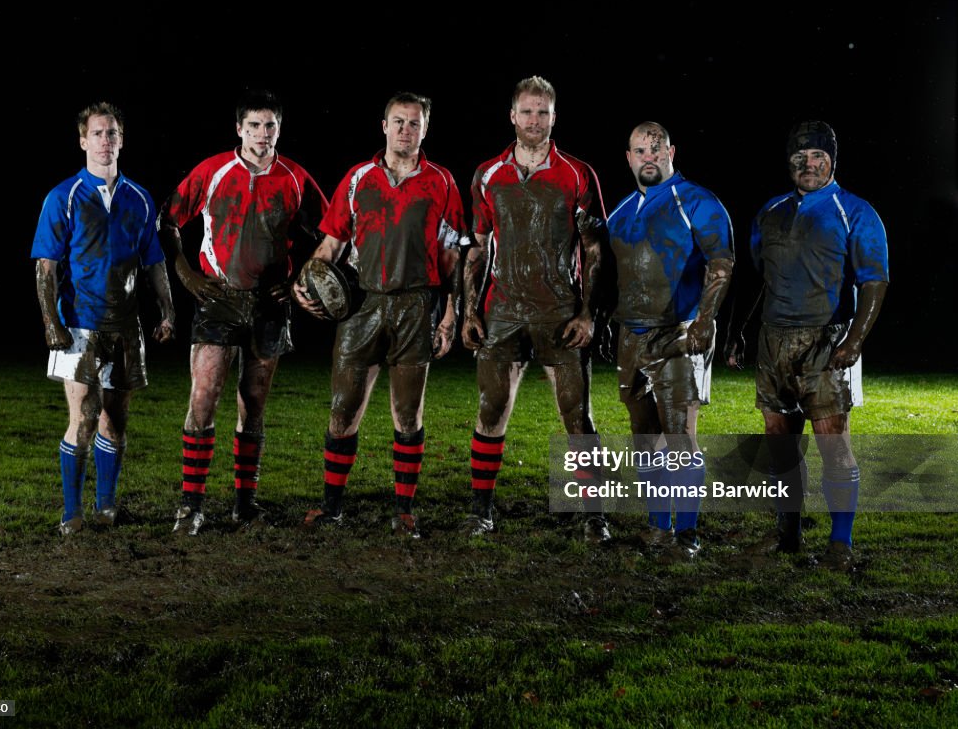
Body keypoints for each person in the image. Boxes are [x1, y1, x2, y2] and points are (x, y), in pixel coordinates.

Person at [294, 91, 464, 539]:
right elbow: (331, 243)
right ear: (383, 125)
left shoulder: (442, 182)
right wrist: (304, 281)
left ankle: (404, 509)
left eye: (414, 123)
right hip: (362, 307)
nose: (405, 130)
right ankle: (332, 507)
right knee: (342, 411)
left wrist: (450, 316)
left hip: (415, 307)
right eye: (398, 121)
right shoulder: (358, 179)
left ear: (425, 129)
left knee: (407, 415)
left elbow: (451, 258)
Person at [160, 90, 328, 535]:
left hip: (268, 306)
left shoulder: (294, 177)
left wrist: (297, 283)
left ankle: (244, 503)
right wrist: (185, 274)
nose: (262, 134)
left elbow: (330, 232)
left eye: (269, 125)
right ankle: (191, 504)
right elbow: (169, 220)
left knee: (253, 403)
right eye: (253, 125)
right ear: (239, 129)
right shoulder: (213, 171)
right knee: (203, 398)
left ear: (279, 129)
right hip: (218, 300)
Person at [461, 76, 608, 541]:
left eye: (542, 112)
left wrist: (587, 313)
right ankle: (481, 510)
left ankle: (593, 514)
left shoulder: (578, 173)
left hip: (559, 312)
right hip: (502, 310)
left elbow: (595, 251)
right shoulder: (488, 175)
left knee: (577, 415)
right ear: (512, 116)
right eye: (527, 111)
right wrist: (468, 311)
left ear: (554, 117)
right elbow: (478, 250)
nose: (534, 120)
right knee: (491, 411)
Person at [738, 120, 888, 569]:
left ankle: (840, 544)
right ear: (789, 162)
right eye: (800, 159)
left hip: (828, 339)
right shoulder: (771, 210)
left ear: (832, 160)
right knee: (780, 443)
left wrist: (855, 341)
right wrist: (743, 334)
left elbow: (875, 281)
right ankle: (787, 535)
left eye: (817, 157)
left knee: (832, 444)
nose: (808, 165)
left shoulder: (854, 211)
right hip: (774, 342)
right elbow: (760, 275)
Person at [32, 102, 175, 536]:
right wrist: (51, 323)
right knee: (85, 415)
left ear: (122, 140)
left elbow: (154, 263)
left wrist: (167, 310)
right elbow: (46, 268)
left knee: (116, 416)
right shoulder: (64, 197)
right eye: (97, 134)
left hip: (126, 325)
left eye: (112, 133)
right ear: (82, 141)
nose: (106, 141)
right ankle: (71, 513)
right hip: (80, 324)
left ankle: (106, 508)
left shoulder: (139, 198)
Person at [607, 121, 734, 558]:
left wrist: (704, 320)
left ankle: (688, 534)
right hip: (632, 335)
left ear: (671, 152)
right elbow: (621, 275)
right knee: (644, 435)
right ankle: (658, 526)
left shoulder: (697, 201)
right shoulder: (621, 211)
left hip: (679, 331)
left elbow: (721, 262)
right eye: (640, 150)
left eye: (656, 150)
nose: (649, 157)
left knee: (679, 435)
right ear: (628, 157)